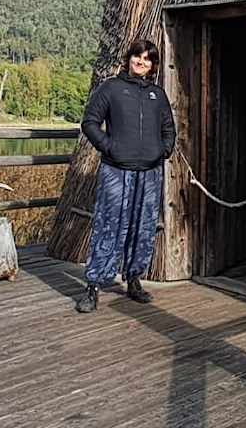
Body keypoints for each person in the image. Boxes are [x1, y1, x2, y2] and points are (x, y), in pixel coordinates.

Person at [75, 38, 176, 313]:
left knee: (143, 228)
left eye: (147, 59)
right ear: (128, 58)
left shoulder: (157, 95)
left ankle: (133, 279)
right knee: (108, 225)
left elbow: (168, 128)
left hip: (150, 172)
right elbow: (90, 122)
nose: (141, 62)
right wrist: (110, 147)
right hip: (116, 170)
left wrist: (163, 150)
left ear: (153, 65)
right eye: (137, 56)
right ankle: (93, 286)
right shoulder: (111, 88)